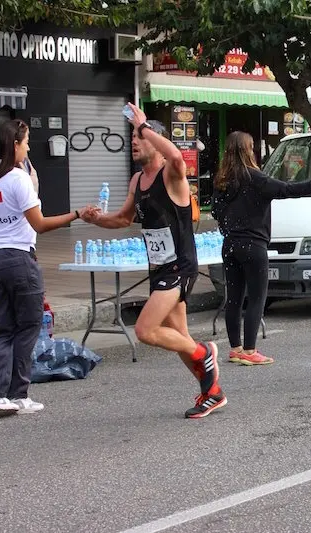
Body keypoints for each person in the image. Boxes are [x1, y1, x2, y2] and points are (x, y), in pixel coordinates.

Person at [82, 103, 223, 419]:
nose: (134, 141)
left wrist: (144, 124)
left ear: (156, 142)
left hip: (181, 266)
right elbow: (121, 220)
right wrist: (96, 220)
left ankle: (207, 352)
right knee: (179, 340)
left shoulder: (171, 173)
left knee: (146, 330)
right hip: (158, 267)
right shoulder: (136, 181)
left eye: (140, 138)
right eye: (132, 136)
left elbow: (175, 156)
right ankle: (212, 392)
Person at [0, 119, 89, 415]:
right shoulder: (18, 178)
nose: (28, 147)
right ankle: (18, 395)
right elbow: (39, 223)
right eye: (26, 142)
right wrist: (76, 214)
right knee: (28, 326)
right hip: (17, 259)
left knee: (2, 328)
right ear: (15, 143)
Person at [212, 131, 311, 364]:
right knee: (257, 297)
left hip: (230, 244)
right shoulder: (256, 178)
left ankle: (235, 348)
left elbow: (217, 212)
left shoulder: (222, 181)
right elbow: (288, 190)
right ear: (248, 150)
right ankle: (249, 351)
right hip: (253, 244)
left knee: (234, 298)